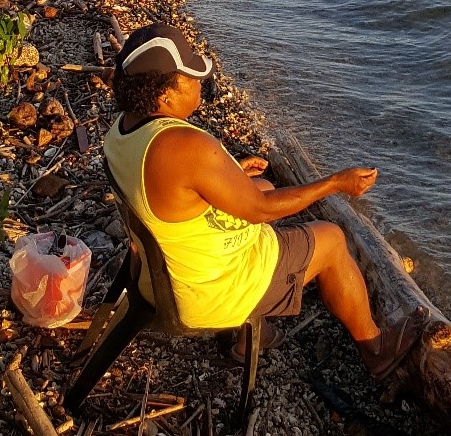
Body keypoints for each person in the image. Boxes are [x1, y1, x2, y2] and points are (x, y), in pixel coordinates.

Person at [103, 23, 426, 380]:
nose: (200, 86)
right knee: (332, 238)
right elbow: (261, 210)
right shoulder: (184, 146)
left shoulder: (123, 129)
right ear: (165, 95)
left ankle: (247, 339)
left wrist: (226, 174)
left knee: (266, 183)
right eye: (193, 80)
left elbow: (172, 187)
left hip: (155, 275)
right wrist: (335, 183)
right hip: (204, 294)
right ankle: (375, 348)